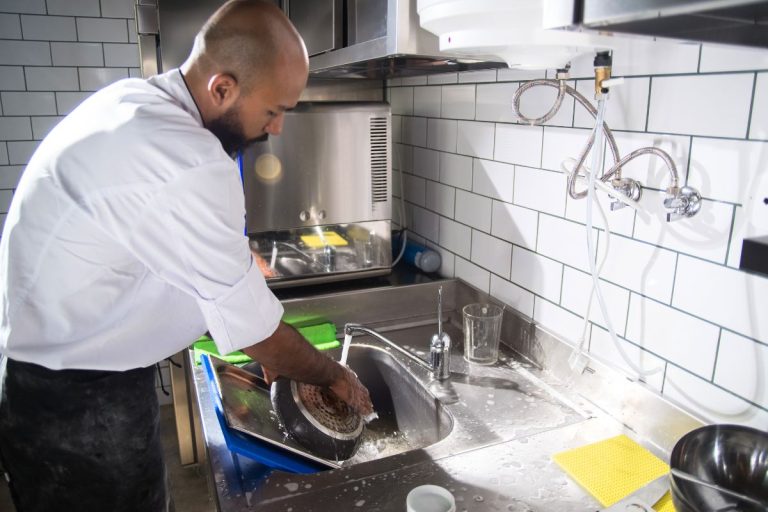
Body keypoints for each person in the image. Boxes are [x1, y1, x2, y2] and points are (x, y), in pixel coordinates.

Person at [0, 2, 373, 511]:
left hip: (52, 383)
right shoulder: (187, 158)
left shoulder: (136, 102)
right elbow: (256, 331)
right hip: (77, 404)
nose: (277, 129)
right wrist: (330, 374)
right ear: (222, 88)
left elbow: (156, 230)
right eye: (274, 111)